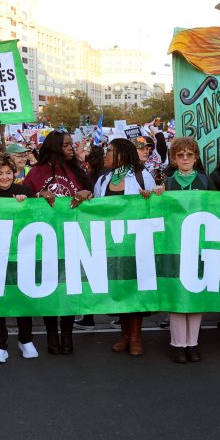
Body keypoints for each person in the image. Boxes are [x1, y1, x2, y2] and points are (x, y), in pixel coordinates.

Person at [23, 131, 92, 354]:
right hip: (45, 242)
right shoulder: (35, 173)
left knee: (70, 288)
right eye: (66, 145)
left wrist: (85, 192)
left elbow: (93, 195)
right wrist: (37, 196)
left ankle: (67, 335)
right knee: (50, 288)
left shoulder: (75, 170)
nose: (71, 148)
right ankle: (52, 334)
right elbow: (21, 202)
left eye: (71, 144)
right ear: (54, 147)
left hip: (73, 239)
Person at [93, 138, 160, 357]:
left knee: (135, 290)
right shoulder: (103, 180)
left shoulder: (142, 177)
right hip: (112, 245)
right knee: (120, 290)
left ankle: (135, 336)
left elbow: (156, 208)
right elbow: (96, 209)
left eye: (110, 151)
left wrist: (152, 198)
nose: (106, 154)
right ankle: (123, 335)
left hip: (137, 243)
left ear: (121, 154)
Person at [0, 153, 37, 363]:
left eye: (8, 173)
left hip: (21, 255)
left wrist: (26, 204)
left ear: (15, 173)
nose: (4, 177)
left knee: (22, 297)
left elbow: (37, 218)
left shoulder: (25, 191)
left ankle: (25, 339)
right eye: (0, 173)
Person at [162, 137, 209, 363]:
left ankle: (193, 343)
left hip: (199, 245)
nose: (185, 159)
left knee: (196, 293)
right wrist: (152, 196)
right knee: (178, 294)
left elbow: (219, 207)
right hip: (175, 246)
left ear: (196, 157)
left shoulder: (204, 181)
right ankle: (178, 344)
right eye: (180, 155)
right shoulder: (167, 183)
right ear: (173, 159)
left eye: (189, 154)